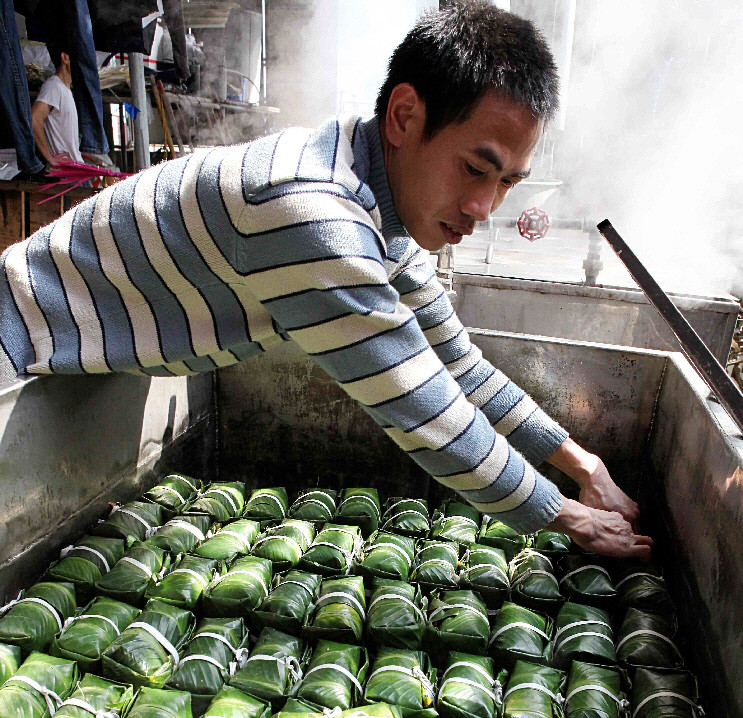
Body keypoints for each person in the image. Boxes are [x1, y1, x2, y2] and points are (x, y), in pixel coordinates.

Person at [0, 1, 651, 558]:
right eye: (474, 169)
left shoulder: (380, 202)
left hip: (82, 352)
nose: (485, 209)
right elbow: (421, 408)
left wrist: (583, 467)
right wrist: (564, 516)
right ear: (403, 117)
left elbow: (459, 368)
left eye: (506, 182)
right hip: (19, 343)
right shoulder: (311, 208)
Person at [31, 45, 83, 166]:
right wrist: (50, 158)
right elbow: (34, 119)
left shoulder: (65, 90)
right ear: (65, 57)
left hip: (75, 169)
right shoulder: (54, 86)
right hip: (65, 172)